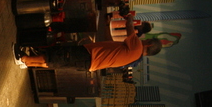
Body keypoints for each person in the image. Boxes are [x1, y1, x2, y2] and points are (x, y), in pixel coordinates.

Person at [15, 14, 161, 70]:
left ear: (149, 44)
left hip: (90, 55)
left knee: (59, 56)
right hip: (91, 63)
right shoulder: (134, 58)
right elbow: (110, 43)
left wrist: (129, 17)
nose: (144, 40)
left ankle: (23, 58)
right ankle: (27, 63)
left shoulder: (137, 47)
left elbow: (129, 27)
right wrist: (107, 24)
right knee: (59, 62)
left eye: (147, 40)